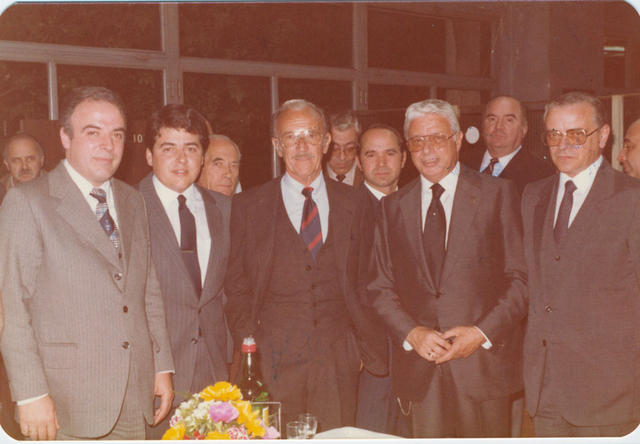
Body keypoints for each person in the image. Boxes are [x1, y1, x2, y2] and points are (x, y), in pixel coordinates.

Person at [0, 86, 174, 440]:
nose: (108, 145)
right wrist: (30, 393)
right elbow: (11, 306)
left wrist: (161, 366)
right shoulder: (27, 202)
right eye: (93, 132)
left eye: (117, 134)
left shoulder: (133, 201)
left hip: (135, 394)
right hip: (64, 404)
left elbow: (147, 291)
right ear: (65, 137)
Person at [368, 98, 527, 438]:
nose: (427, 150)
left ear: (457, 139)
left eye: (437, 138)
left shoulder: (497, 194)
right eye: (417, 141)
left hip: (482, 369)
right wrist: (412, 333)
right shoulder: (392, 207)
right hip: (420, 370)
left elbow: (521, 280)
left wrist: (480, 333)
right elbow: (379, 286)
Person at [224, 99, 386, 431]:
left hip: (337, 360)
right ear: (277, 146)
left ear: (326, 142)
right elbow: (235, 285)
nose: (301, 145)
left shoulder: (357, 204)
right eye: (290, 137)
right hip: (271, 361)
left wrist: (356, 347)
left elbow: (370, 280)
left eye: (310, 135)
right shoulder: (248, 206)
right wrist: (251, 345)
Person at [522, 92, 640, 437]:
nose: (563, 145)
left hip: (609, 392)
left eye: (576, 134)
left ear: (602, 136)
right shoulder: (533, 196)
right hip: (545, 389)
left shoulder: (631, 199)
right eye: (554, 134)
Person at [139, 104, 231, 439]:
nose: (181, 160)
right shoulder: (128, 207)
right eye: (168, 148)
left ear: (203, 157)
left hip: (215, 374)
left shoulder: (225, 209)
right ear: (149, 155)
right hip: (153, 379)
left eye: (191, 149)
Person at [353, 124, 406, 434]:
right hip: (370, 352)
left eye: (390, 153)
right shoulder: (344, 210)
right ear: (359, 161)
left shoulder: (419, 205)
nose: (382, 163)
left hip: (417, 348)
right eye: (371, 154)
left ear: (404, 158)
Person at [462, 95, 554, 194]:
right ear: (483, 125)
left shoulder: (541, 175)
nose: (498, 127)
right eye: (492, 119)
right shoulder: (461, 163)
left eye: (509, 120)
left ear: (523, 129)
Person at [1, 133, 46, 201]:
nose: (24, 167)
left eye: (30, 159)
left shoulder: (58, 187)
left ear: (41, 160)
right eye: (16, 161)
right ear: (7, 164)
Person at [325, 110, 364, 186]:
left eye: (350, 148)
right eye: (334, 149)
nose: (342, 157)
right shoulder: (313, 178)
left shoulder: (370, 176)